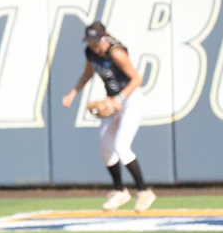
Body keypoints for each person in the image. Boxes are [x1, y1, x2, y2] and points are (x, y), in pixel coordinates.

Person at [61, 21, 156, 212]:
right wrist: (73, 93)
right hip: (112, 101)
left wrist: (120, 98)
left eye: (96, 41)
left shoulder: (116, 53)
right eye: (90, 41)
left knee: (122, 146)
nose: (93, 45)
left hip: (129, 100)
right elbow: (87, 74)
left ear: (104, 38)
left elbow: (137, 79)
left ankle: (144, 191)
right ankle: (119, 190)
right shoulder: (90, 52)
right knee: (106, 147)